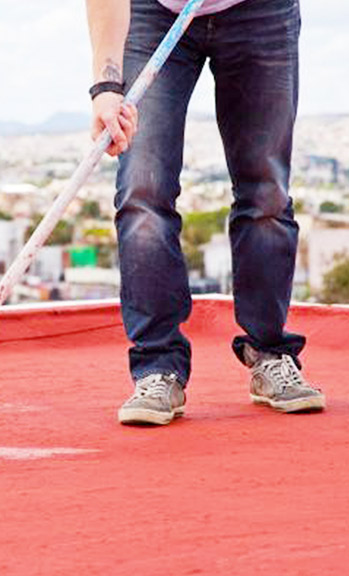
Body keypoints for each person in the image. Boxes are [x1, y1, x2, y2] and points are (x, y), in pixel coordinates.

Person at [85, 0, 325, 425]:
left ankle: (269, 351)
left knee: (266, 190)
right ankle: (158, 367)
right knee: (143, 189)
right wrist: (107, 86)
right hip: (152, 13)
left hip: (260, 12)